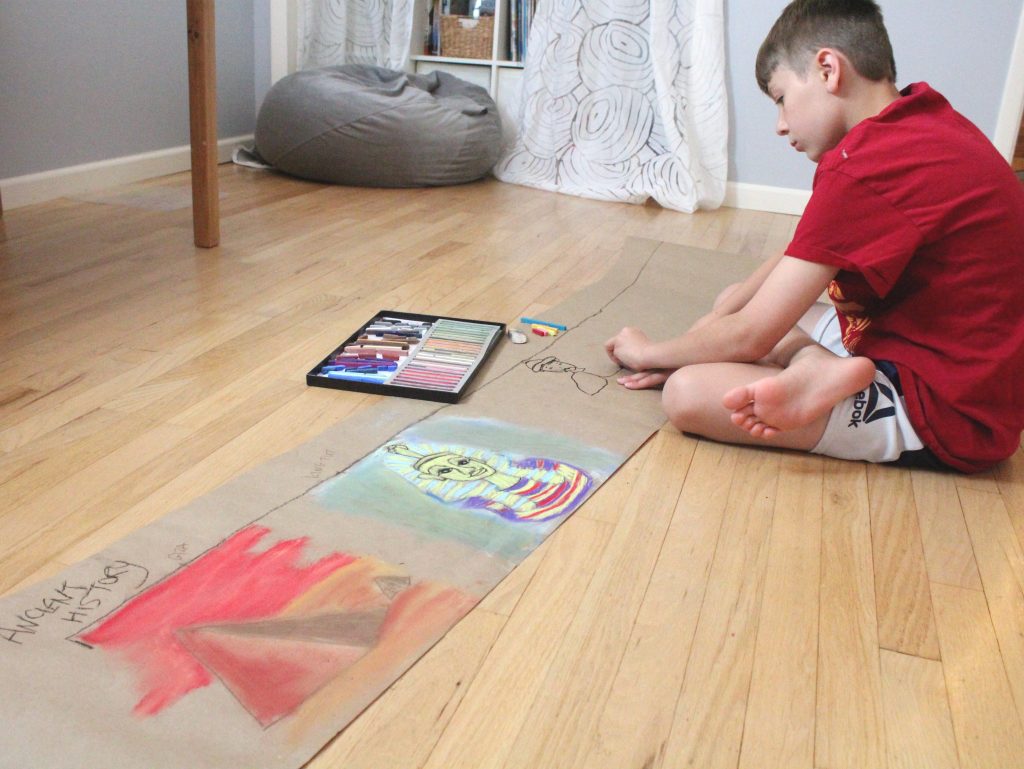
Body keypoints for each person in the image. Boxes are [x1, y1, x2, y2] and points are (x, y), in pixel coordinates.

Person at [604, 0, 1024, 472]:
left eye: (781, 98)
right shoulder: (916, 122)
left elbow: (751, 335)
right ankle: (813, 364)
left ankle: (820, 370)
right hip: (964, 367)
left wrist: (652, 352)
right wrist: (700, 333)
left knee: (688, 394)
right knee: (737, 297)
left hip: (950, 413)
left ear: (827, 69)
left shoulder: (866, 168)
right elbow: (795, 258)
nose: (781, 124)